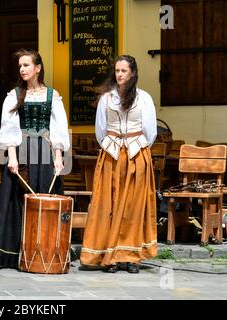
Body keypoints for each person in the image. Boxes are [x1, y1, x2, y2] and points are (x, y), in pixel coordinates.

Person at [0, 48, 70, 270]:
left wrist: (59, 156)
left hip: (44, 151)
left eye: (26, 65)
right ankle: (8, 254)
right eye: (20, 66)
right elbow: (9, 127)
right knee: (15, 199)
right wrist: (12, 158)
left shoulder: (52, 95)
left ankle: (44, 249)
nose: (22, 69)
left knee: (44, 196)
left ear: (38, 68)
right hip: (21, 151)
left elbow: (59, 128)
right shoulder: (14, 95)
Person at [80, 55, 158, 274]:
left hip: (136, 156)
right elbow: (100, 130)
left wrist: (137, 149)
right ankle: (110, 255)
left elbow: (150, 131)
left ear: (132, 73)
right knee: (109, 204)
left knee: (134, 206)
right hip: (112, 156)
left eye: (124, 71)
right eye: (117, 71)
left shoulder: (144, 98)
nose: (120, 74)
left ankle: (131, 257)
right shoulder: (107, 99)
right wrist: (111, 145)